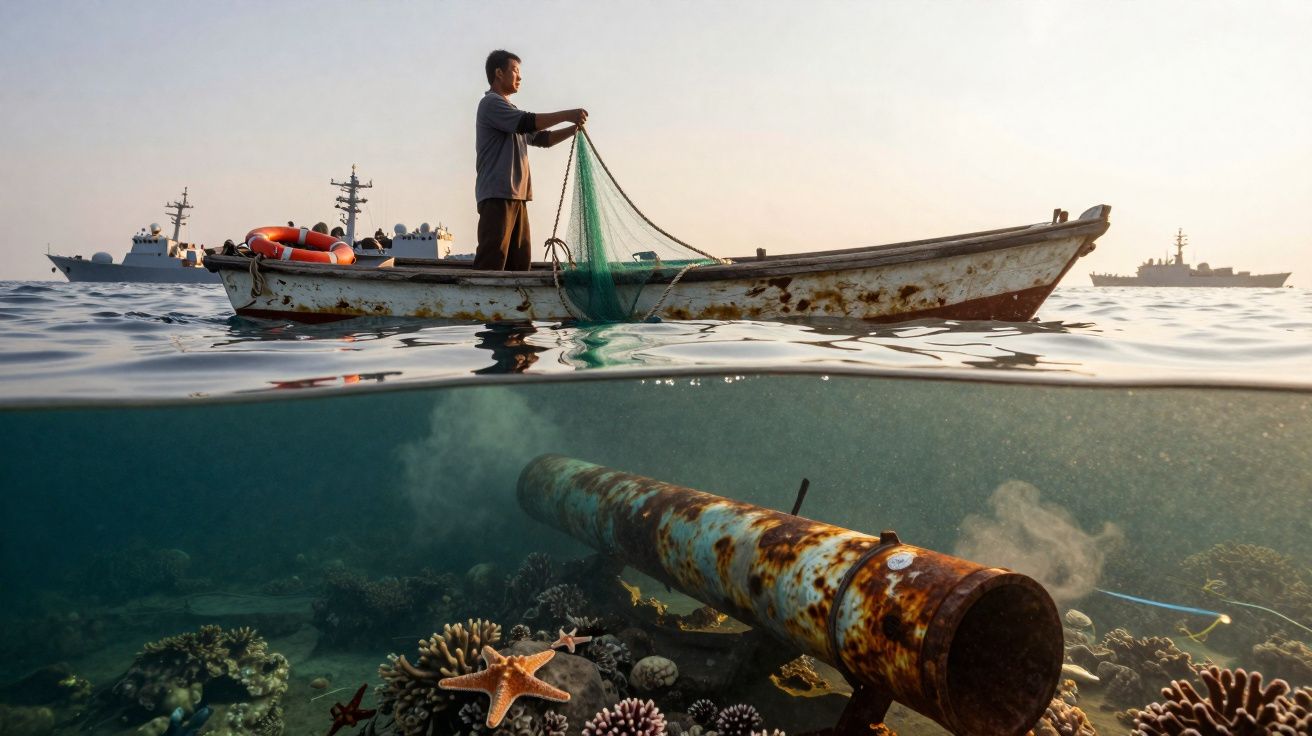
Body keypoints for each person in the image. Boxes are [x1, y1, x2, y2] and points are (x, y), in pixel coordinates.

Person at [474, 49, 587, 271]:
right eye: (515, 71)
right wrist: (566, 114)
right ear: (498, 73)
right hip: (498, 194)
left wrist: (573, 129)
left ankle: (514, 305)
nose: (520, 77)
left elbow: (542, 139)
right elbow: (526, 122)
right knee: (492, 259)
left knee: (519, 262)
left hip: (518, 195)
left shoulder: (509, 110)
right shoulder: (491, 104)